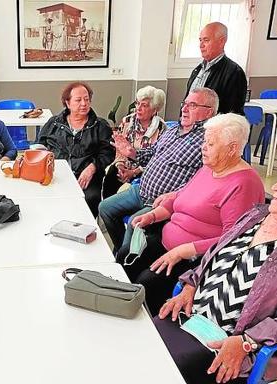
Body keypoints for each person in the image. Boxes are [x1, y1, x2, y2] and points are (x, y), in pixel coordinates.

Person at [155, 146, 277, 384]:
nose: (276, 186)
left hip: (234, 343)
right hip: (192, 316)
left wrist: (246, 342)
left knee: (160, 369)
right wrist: (190, 285)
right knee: (141, 340)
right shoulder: (257, 215)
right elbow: (216, 254)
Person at [119, 113, 265, 314]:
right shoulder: (209, 167)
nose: (203, 147)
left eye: (211, 144)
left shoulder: (244, 184)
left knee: (145, 284)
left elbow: (233, 241)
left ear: (232, 148)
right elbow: (180, 198)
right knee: (124, 260)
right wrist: (152, 216)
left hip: (195, 260)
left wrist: (183, 250)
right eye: (205, 141)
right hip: (167, 242)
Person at [99, 87, 218, 254]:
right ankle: (122, 249)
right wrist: (131, 152)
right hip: (141, 190)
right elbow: (152, 153)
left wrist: (176, 196)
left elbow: (203, 181)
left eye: (192, 105)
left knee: (134, 222)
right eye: (185, 104)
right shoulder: (174, 130)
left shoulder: (208, 140)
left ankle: (124, 259)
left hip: (162, 202)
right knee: (105, 207)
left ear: (208, 112)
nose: (184, 109)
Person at [36, 81, 115, 216]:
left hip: (87, 176)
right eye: (78, 100)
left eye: (87, 99)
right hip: (56, 175)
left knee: (89, 199)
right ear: (67, 103)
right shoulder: (54, 123)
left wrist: (92, 168)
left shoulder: (100, 125)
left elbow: (108, 153)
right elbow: (39, 146)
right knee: (43, 199)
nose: (84, 104)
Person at [102, 85, 166, 199]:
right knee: (111, 174)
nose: (138, 108)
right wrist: (120, 165)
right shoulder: (127, 121)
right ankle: (104, 211)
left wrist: (134, 172)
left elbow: (158, 159)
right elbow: (119, 148)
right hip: (123, 167)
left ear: (154, 109)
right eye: (137, 103)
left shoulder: (162, 129)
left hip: (145, 171)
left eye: (144, 105)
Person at [184, 22, 247, 115]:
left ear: (221, 41)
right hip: (190, 128)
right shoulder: (198, 70)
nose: (201, 45)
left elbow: (232, 113)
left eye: (206, 40)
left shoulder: (234, 73)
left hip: (213, 128)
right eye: (200, 40)